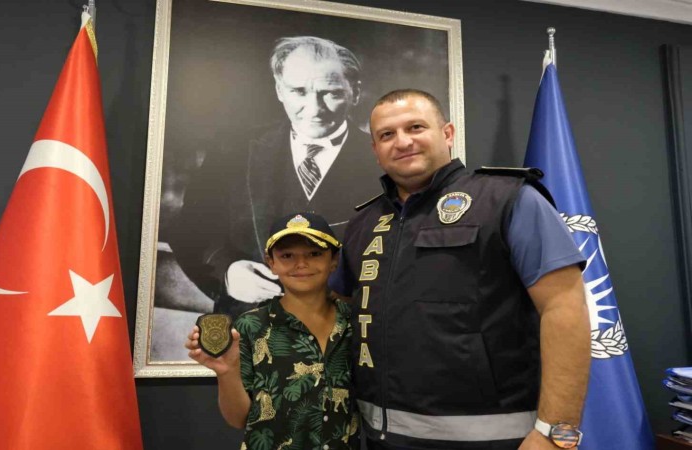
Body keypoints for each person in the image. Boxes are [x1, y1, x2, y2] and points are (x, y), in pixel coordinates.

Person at [330, 89, 591, 450]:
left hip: (498, 441)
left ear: (448, 133)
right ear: (376, 150)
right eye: (387, 134)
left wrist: (555, 433)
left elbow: (565, 308)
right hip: (382, 440)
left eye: (415, 127)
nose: (402, 141)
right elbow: (341, 312)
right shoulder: (363, 223)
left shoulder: (508, 199)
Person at [168, 36, 383, 319]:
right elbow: (192, 229)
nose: (314, 109)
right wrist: (228, 273)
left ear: (354, 92)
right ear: (279, 90)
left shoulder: (387, 165)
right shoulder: (233, 151)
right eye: (298, 91)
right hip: (248, 331)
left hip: (349, 335)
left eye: (330, 93)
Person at [185, 212, 358, 449]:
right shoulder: (250, 326)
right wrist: (227, 372)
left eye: (314, 253)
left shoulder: (356, 322)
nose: (301, 264)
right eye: (287, 255)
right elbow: (237, 419)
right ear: (271, 262)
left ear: (334, 260)